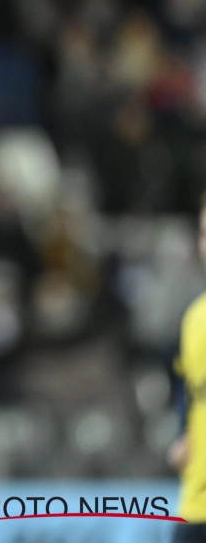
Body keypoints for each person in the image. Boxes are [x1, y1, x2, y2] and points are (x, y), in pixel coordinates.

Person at [169, 196, 206, 542]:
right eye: (205, 234)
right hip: (196, 503)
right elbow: (189, 388)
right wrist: (182, 435)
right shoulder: (194, 317)